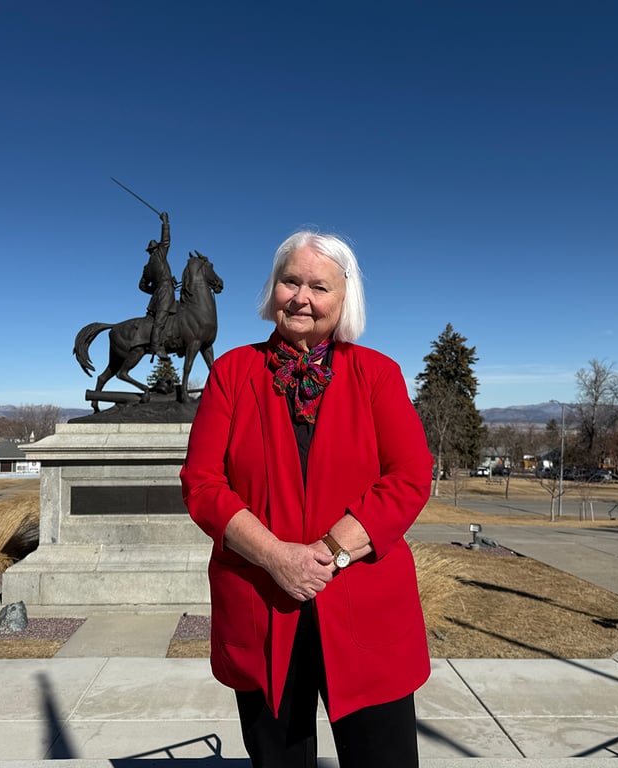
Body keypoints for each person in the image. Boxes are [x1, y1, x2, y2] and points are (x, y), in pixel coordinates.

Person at [180, 231, 433, 767]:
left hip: (365, 607)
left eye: (319, 286)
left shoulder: (378, 375)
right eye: (290, 281)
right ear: (273, 289)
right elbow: (202, 483)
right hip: (262, 606)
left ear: (345, 301)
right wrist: (276, 557)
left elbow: (409, 476)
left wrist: (328, 553)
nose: (301, 297)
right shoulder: (231, 373)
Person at [138, 211, 176, 360]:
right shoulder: (160, 254)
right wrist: (165, 222)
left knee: (166, 317)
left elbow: (141, 286)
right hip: (165, 291)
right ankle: (156, 346)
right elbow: (166, 240)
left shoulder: (146, 267)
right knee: (160, 319)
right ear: (156, 249)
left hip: (158, 293)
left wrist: (155, 290)